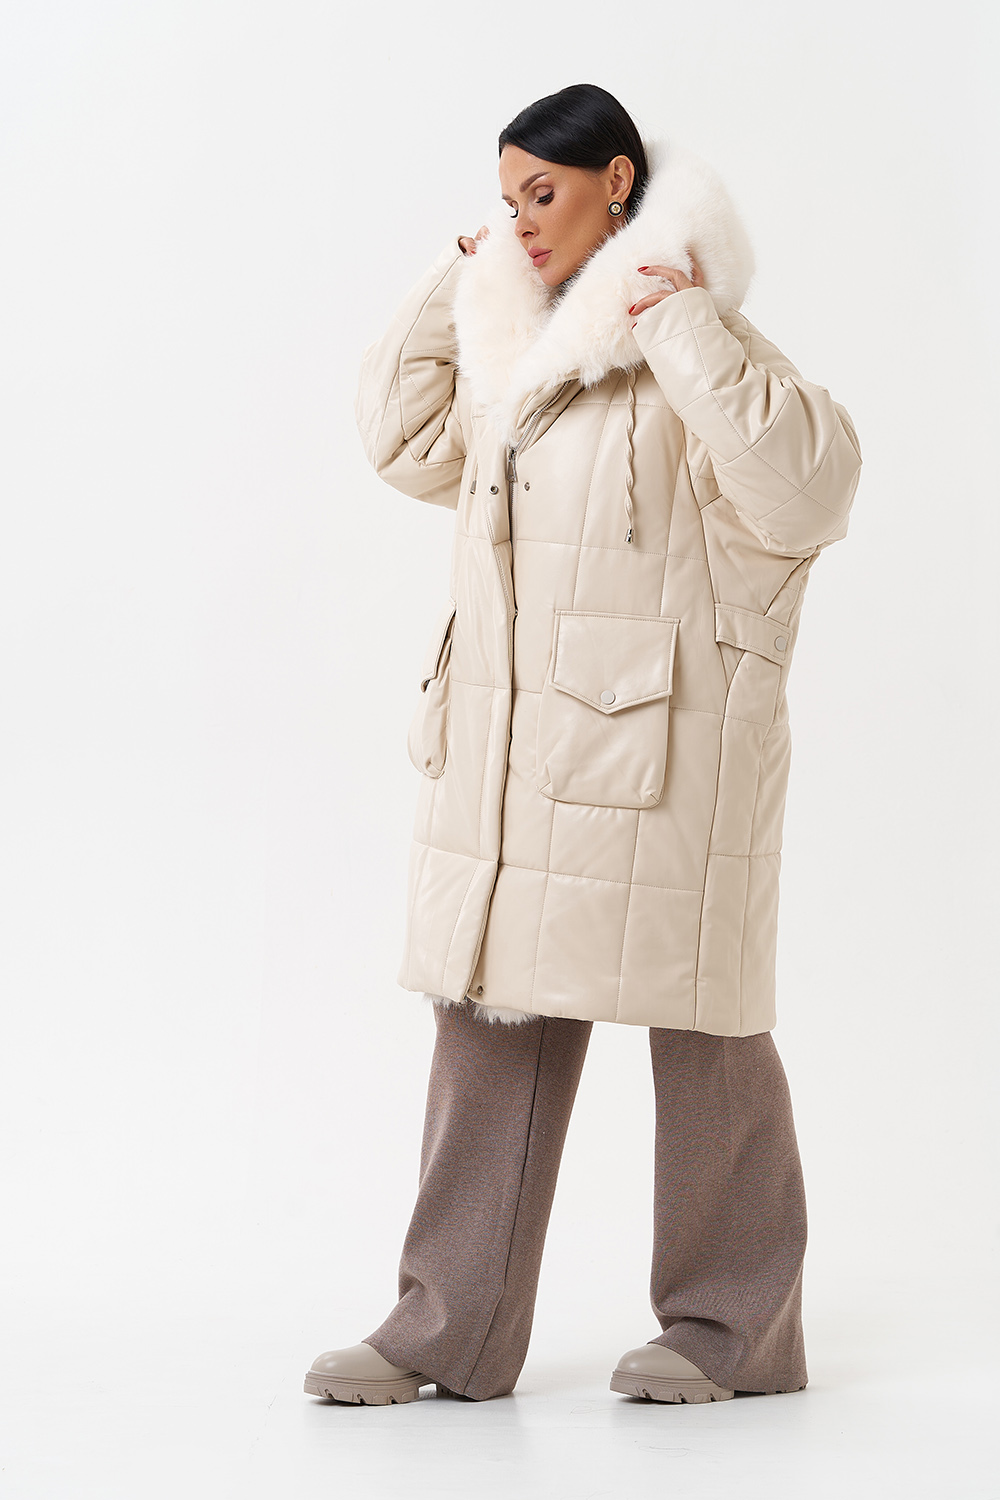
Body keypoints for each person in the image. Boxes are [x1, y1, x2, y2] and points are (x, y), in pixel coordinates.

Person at [304, 83, 863, 1407]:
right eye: (506, 200)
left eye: (540, 195)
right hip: (509, 755)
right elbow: (400, 439)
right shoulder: (517, 354)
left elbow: (811, 487)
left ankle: (734, 1334)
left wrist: (678, 320)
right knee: (486, 1025)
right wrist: (458, 281)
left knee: (705, 1035)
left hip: (668, 759)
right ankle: (446, 1334)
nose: (521, 222)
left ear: (618, 181)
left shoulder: (697, 335)